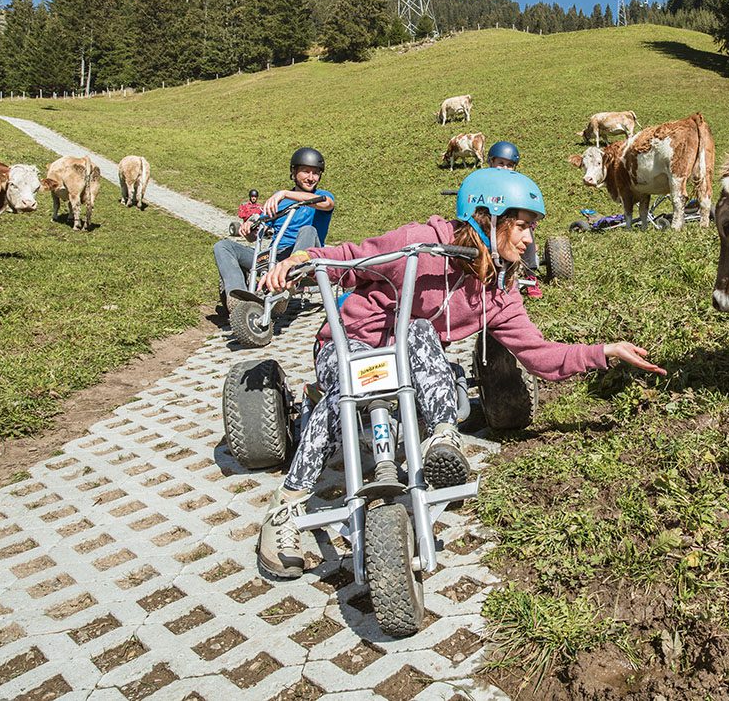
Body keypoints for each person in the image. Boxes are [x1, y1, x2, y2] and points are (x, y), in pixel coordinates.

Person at [254, 167, 665, 578]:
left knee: (416, 329)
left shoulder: (499, 293)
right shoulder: (421, 243)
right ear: (487, 217)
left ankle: (442, 438)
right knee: (347, 389)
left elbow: (540, 355)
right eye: (521, 227)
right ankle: (286, 508)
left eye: (532, 230)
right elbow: (349, 258)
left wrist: (606, 351)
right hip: (350, 346)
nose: (529, 240)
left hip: (407, 364)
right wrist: (301, 259)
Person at [214, 148, 335, 308]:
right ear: (294, 172)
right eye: (306, 172)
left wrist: (284, 193)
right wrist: (249, 229)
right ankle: (238, 298)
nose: (311, 178)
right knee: (223, 246)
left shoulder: (320, 195)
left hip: (306, 257)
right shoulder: (277, 203)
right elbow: (254, 236)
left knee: (308, 230)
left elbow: (327, 203)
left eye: (315, 173)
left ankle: (285, 283)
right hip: (275, 257)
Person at [486, 141, 543, 298]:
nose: (505, 168)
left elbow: (526, 203)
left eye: (510, 165)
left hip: (511, 222)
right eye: (501, 163)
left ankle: (531, 275)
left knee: (526, 233)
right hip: (489, 222)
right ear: (491, 162)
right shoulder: (483, 181)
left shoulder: (517, 184)